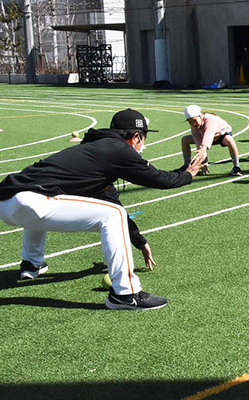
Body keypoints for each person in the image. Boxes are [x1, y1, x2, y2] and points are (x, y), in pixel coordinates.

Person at [0, 109, 206, 310]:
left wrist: (138, 239)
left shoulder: (97, 149)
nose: (144, 144)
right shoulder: (119, 151)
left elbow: (110, 199)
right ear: (136, 137)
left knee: (45, 205)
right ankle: (126, 294)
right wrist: (188, 174)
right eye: (144, 138)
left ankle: (32, 264)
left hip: (7, 201)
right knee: (112, 215)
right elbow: (159, 179)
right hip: (32, 201)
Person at [181, 104, 242, 176]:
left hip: (221, 134)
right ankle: (187, 165)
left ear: (200, 116)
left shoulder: (210, 119)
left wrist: (203, 148)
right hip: (205, 137)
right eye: (190, 121)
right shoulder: (194, 126)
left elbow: (208, 134)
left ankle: (236, 167)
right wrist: (204, 164)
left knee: (229, 140)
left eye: (194, 120)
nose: (193, 123)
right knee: (185, 140)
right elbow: (199, 143)